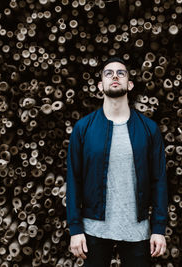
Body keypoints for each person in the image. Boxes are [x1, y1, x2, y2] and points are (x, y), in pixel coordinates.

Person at [66, 57, 168, 267]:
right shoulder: (83, 128)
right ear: (100, 85)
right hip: (94, 229)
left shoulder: (148, 129)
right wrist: (75, 229)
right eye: (108, 73)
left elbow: (159, 181)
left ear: (130, 84)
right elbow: (74, 179)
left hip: (136, 229)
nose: (115, 76)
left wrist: (158, 229)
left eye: (121, 73)